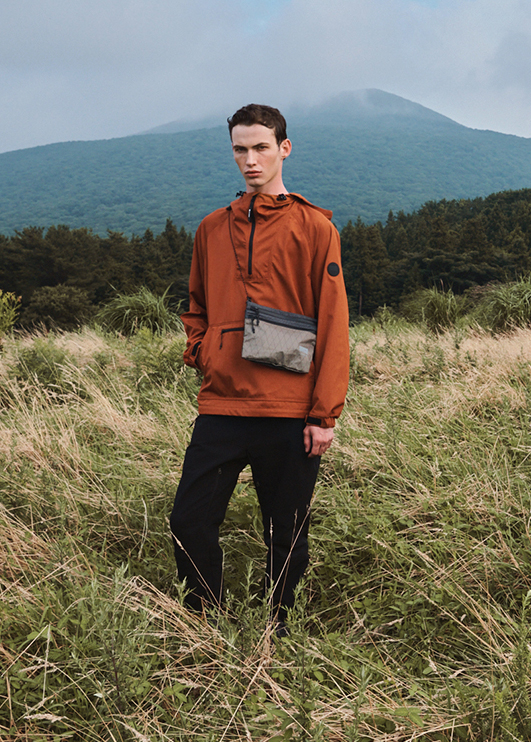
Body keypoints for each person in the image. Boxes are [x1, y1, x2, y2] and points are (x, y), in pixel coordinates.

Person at [170, 103, 350, 627]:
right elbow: (196, 306)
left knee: (285, 532)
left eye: (261, 148)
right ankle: (205, 625)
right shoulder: (210, 228)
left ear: (283, 149)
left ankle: (279, 629)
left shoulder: (315, 228)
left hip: (290, 410)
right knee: (189, 521)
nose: (250, 160)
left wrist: (324, 414)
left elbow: (333, 321)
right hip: (222, 406)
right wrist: (203, 351)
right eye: (240, 149)